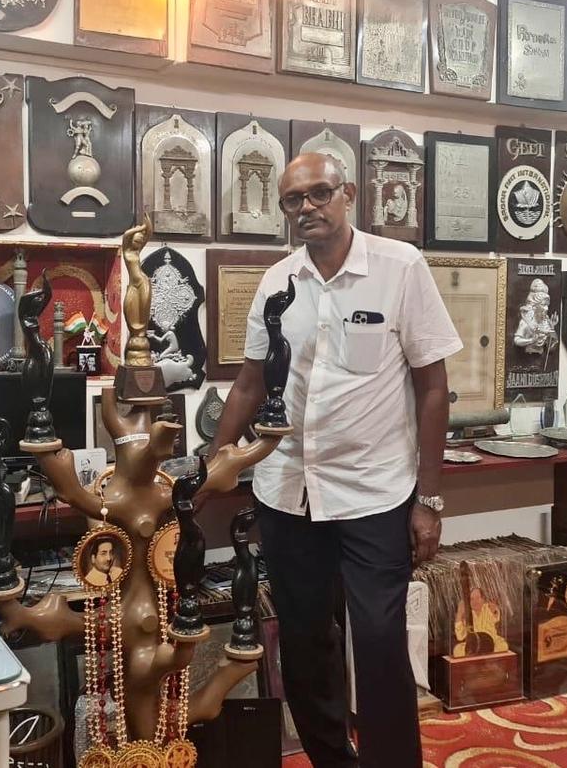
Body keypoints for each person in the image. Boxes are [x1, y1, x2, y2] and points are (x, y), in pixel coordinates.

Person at [208, 152, 462, 768]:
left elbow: (433, 389)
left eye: (319, 193)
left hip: (374, 492)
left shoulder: (400, 268)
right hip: (288, 490)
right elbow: (247, 383)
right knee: (303, 643)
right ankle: (331, 759)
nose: (307, 208)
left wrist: (429, 501)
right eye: (294, 199)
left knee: (377, 642)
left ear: (349, 194)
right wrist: (215, 458)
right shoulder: (277, 283)